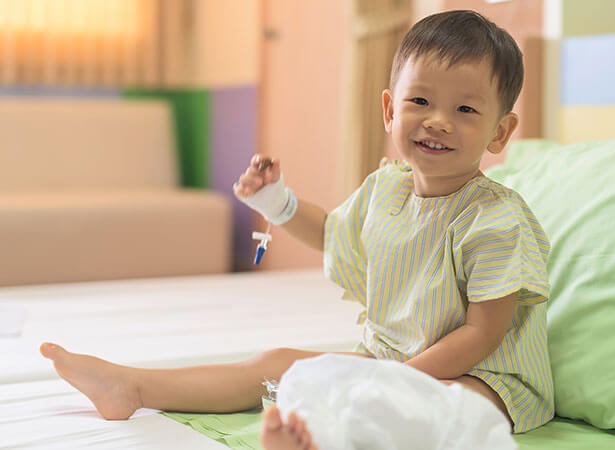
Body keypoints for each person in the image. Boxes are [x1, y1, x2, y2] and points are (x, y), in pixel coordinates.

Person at [40, 10, 553, 449]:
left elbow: (482, 333)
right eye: (420, 101)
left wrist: (391, 379)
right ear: (390, 109)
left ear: (499, 132)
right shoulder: (386, 190)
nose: (438, 121)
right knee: (277, 362)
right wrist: (275, 201)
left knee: (431, 411)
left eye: (465, 109)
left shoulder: (495, 219)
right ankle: (132, 386)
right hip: (390, 363)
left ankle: (325, 433)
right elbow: (333, 232)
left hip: (486, 380)